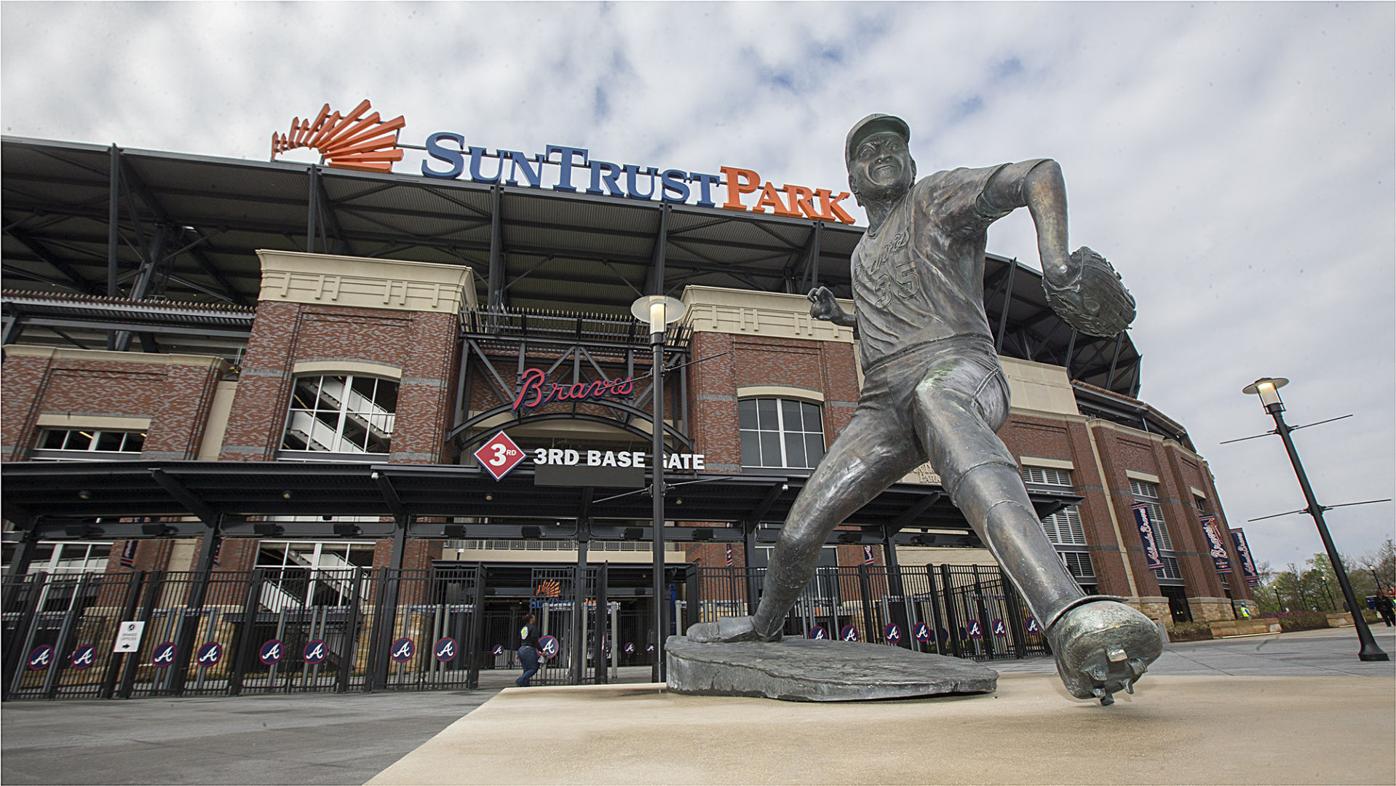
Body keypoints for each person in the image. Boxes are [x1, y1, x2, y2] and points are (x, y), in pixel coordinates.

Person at [687, 114, 1162, 706]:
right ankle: (764, 625)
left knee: (941, 403)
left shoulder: (936, 197)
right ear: (853, 182)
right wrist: (843, 319)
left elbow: (1038, 174)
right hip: (884, 402)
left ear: (910, 164)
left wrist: (1057, 261)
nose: (882, 153)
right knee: (800, 527)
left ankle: (1071, 616)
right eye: (866, 152)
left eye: (893, 146)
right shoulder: (861, 257)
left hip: (962, 366)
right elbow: (892, 319)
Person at [515, 612, 542, 687]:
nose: (535, 618)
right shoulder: (533, 628)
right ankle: (520, 680)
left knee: (526, 669)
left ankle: (525, 685)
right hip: (529, 649)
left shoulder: (524, 628)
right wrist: (541, 650)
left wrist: (518, 651)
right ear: (531, 619)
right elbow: (535, 640)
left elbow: (519, 639)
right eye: (533, 617)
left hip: (521, 649)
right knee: (533, 668)